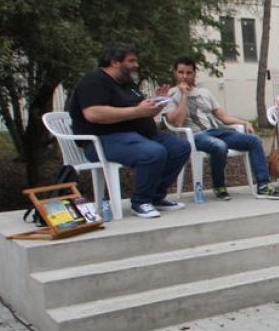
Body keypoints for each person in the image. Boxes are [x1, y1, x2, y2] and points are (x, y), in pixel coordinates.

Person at [67, 43, 189, 218]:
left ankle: (155, 197)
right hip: (103, 141)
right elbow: (93, 113)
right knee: (153, 152)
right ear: (115, 62)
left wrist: (157, 104)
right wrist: (137, 111)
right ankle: (141, 202)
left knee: (180, 147)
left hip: (138, 136)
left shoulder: (127, 83)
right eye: (131, 61)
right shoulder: (93, 81)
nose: (136, 65)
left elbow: (140, 111)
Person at [164, 57, 279, 200]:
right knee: (219, 146)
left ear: (194, 74)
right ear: (175, 73)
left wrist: (244, 122)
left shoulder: (205, 93)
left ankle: (263, 185)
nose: (184, 76)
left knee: (254, 140)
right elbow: (177, 122)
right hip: (193, 137)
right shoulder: (171, 95)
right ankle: (219, 185)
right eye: (181, 72)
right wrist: (184, 94)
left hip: (215, 132)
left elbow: (223, 117)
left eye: (188, 73)